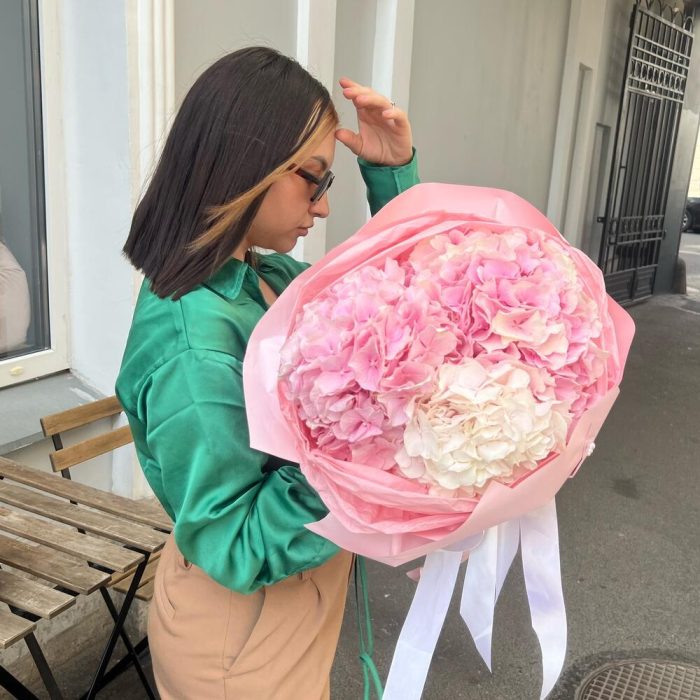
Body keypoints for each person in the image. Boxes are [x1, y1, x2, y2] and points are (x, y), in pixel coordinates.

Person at [116, 46, 419, 699]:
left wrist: (391, 175)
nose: (322, 208)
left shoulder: (265, 275)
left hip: (288, 606)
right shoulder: (194, 349)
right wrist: (358, 453)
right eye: (316, 180)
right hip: (243, 640)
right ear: (248, 164)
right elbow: (236, 542)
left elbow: (394, 311)